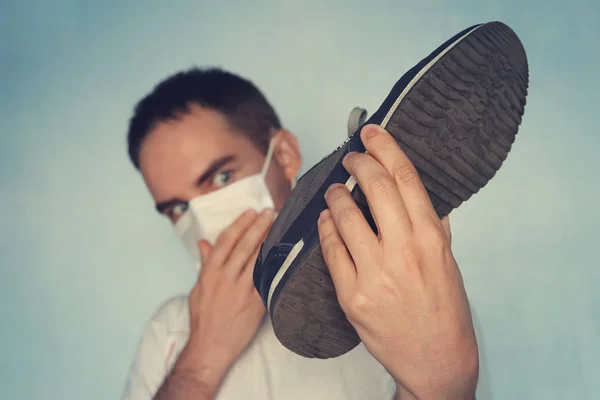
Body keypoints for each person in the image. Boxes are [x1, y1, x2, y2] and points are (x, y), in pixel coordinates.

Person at [122, 67, 478, 400]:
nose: (200, 219)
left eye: (222, 177)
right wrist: (201, 361)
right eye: (178, 209)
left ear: (284, 155)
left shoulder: (397, 291)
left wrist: (438, 384)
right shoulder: (167, 333)